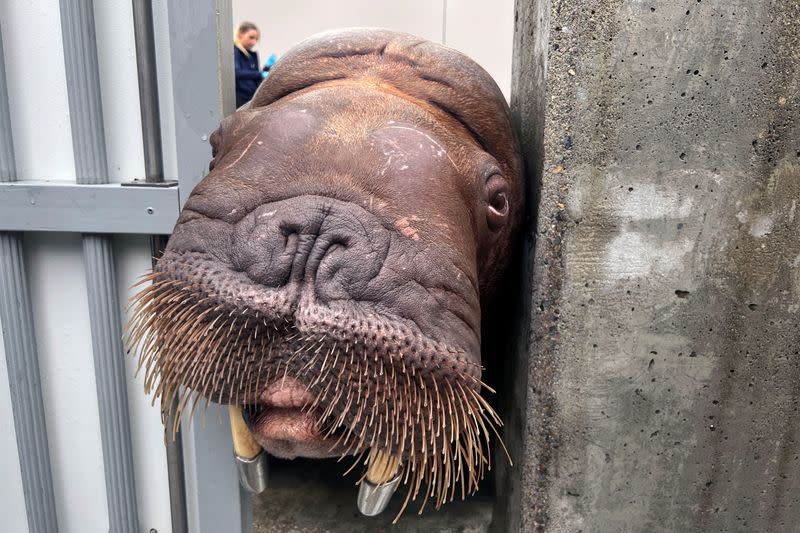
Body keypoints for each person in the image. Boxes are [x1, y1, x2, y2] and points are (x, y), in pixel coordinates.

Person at [233, 22, 276, 108]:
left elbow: (256, 77)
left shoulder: (252, 55)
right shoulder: (234, 51)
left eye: (256, 39)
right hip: (239, 99)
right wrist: (260, 74)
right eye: (251, 37)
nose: (254, 42)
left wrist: (267, 68)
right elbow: (236, 73)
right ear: (240, 34)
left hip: (251, 98)